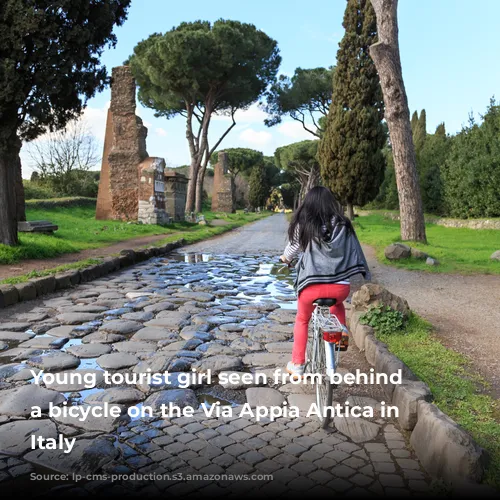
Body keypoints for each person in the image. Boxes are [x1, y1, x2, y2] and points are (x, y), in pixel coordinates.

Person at [280, 186, 371, 377]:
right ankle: (342, 330)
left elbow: (292, 250)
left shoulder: (303, 224)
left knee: (302, 319)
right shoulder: (343, 224)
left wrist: (285, 259)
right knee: (337, 305)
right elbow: (353, 249)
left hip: (311, 288)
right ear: (331, 202)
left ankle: (297, 364)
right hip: (340, 288)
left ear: (308, 203)